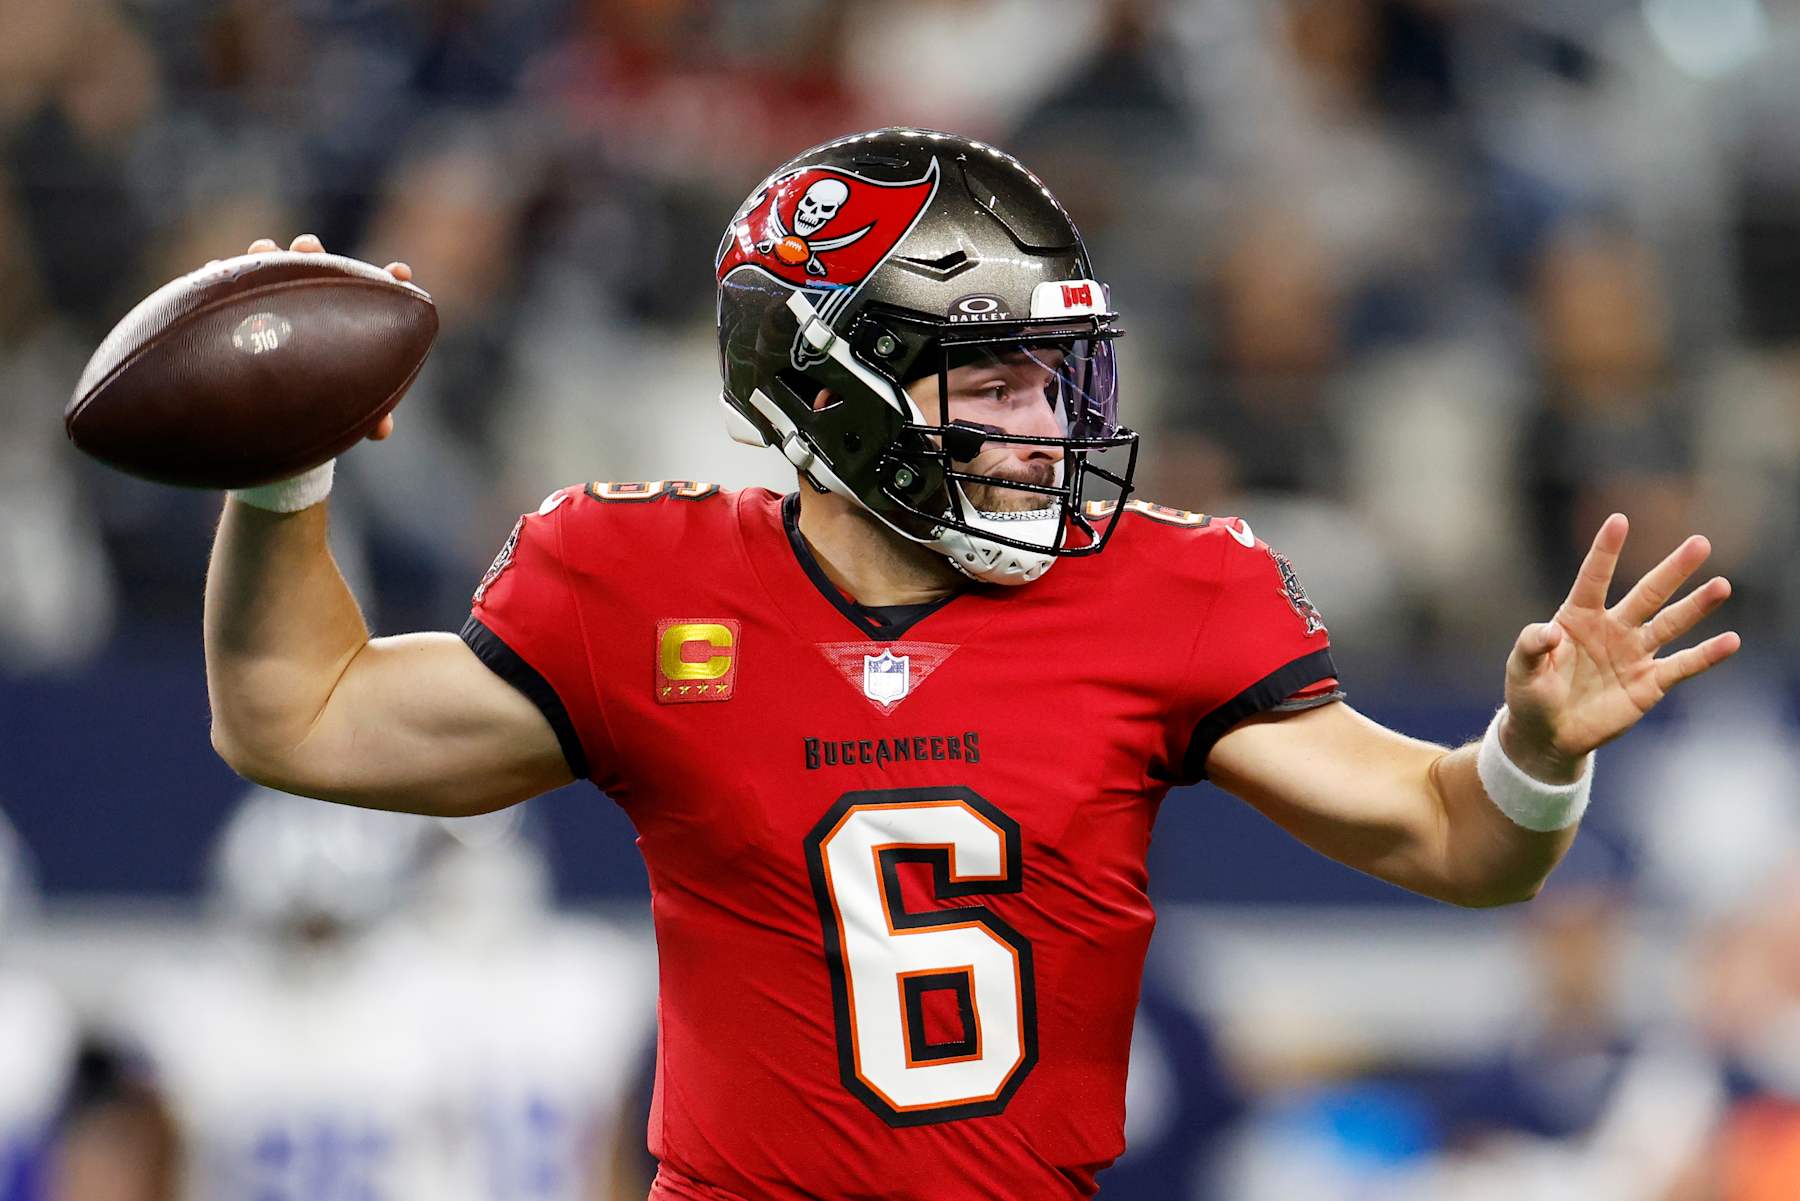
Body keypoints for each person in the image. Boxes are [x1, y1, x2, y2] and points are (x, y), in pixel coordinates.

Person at [202, 128, 1739, 1201]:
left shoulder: (1162, 589)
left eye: (1056, 379)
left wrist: (1536, 747)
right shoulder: (638, 582)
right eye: (992, 379)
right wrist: (282, 481)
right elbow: (300, 712)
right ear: (831, 390)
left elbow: (1461, 842)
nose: (1046, 429)